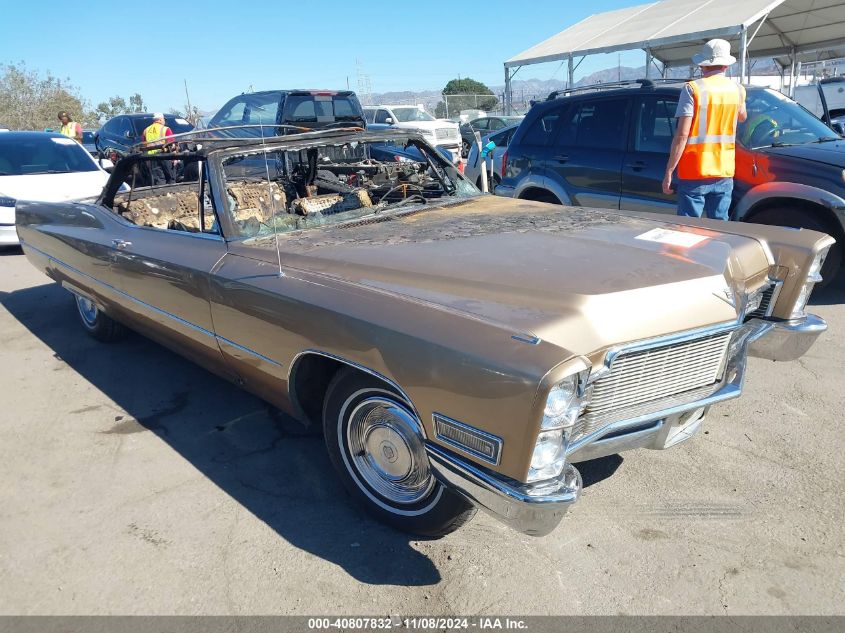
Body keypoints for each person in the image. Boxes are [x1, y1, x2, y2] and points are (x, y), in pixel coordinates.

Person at [662, 39, 748, 220]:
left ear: (703, 64)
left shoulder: (692, 89)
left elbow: (682, 134)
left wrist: (670, 170)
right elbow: (742, 117)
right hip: (724, 169)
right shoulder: (737, 89)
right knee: (720, 229)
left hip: (694, 170)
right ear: (725, 65)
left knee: (688, 229)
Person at [142, 113, 175, 185]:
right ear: (160, 119)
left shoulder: (146, 130)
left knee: (159, 180)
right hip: (165, 156)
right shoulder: (165, 129)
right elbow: (172, 144)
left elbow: (144, 146)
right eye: (164, 119)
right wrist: (174, 158)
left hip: (152, 158)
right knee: (171, 178)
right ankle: (172, 194)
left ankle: (161, 194)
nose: (164, 121)